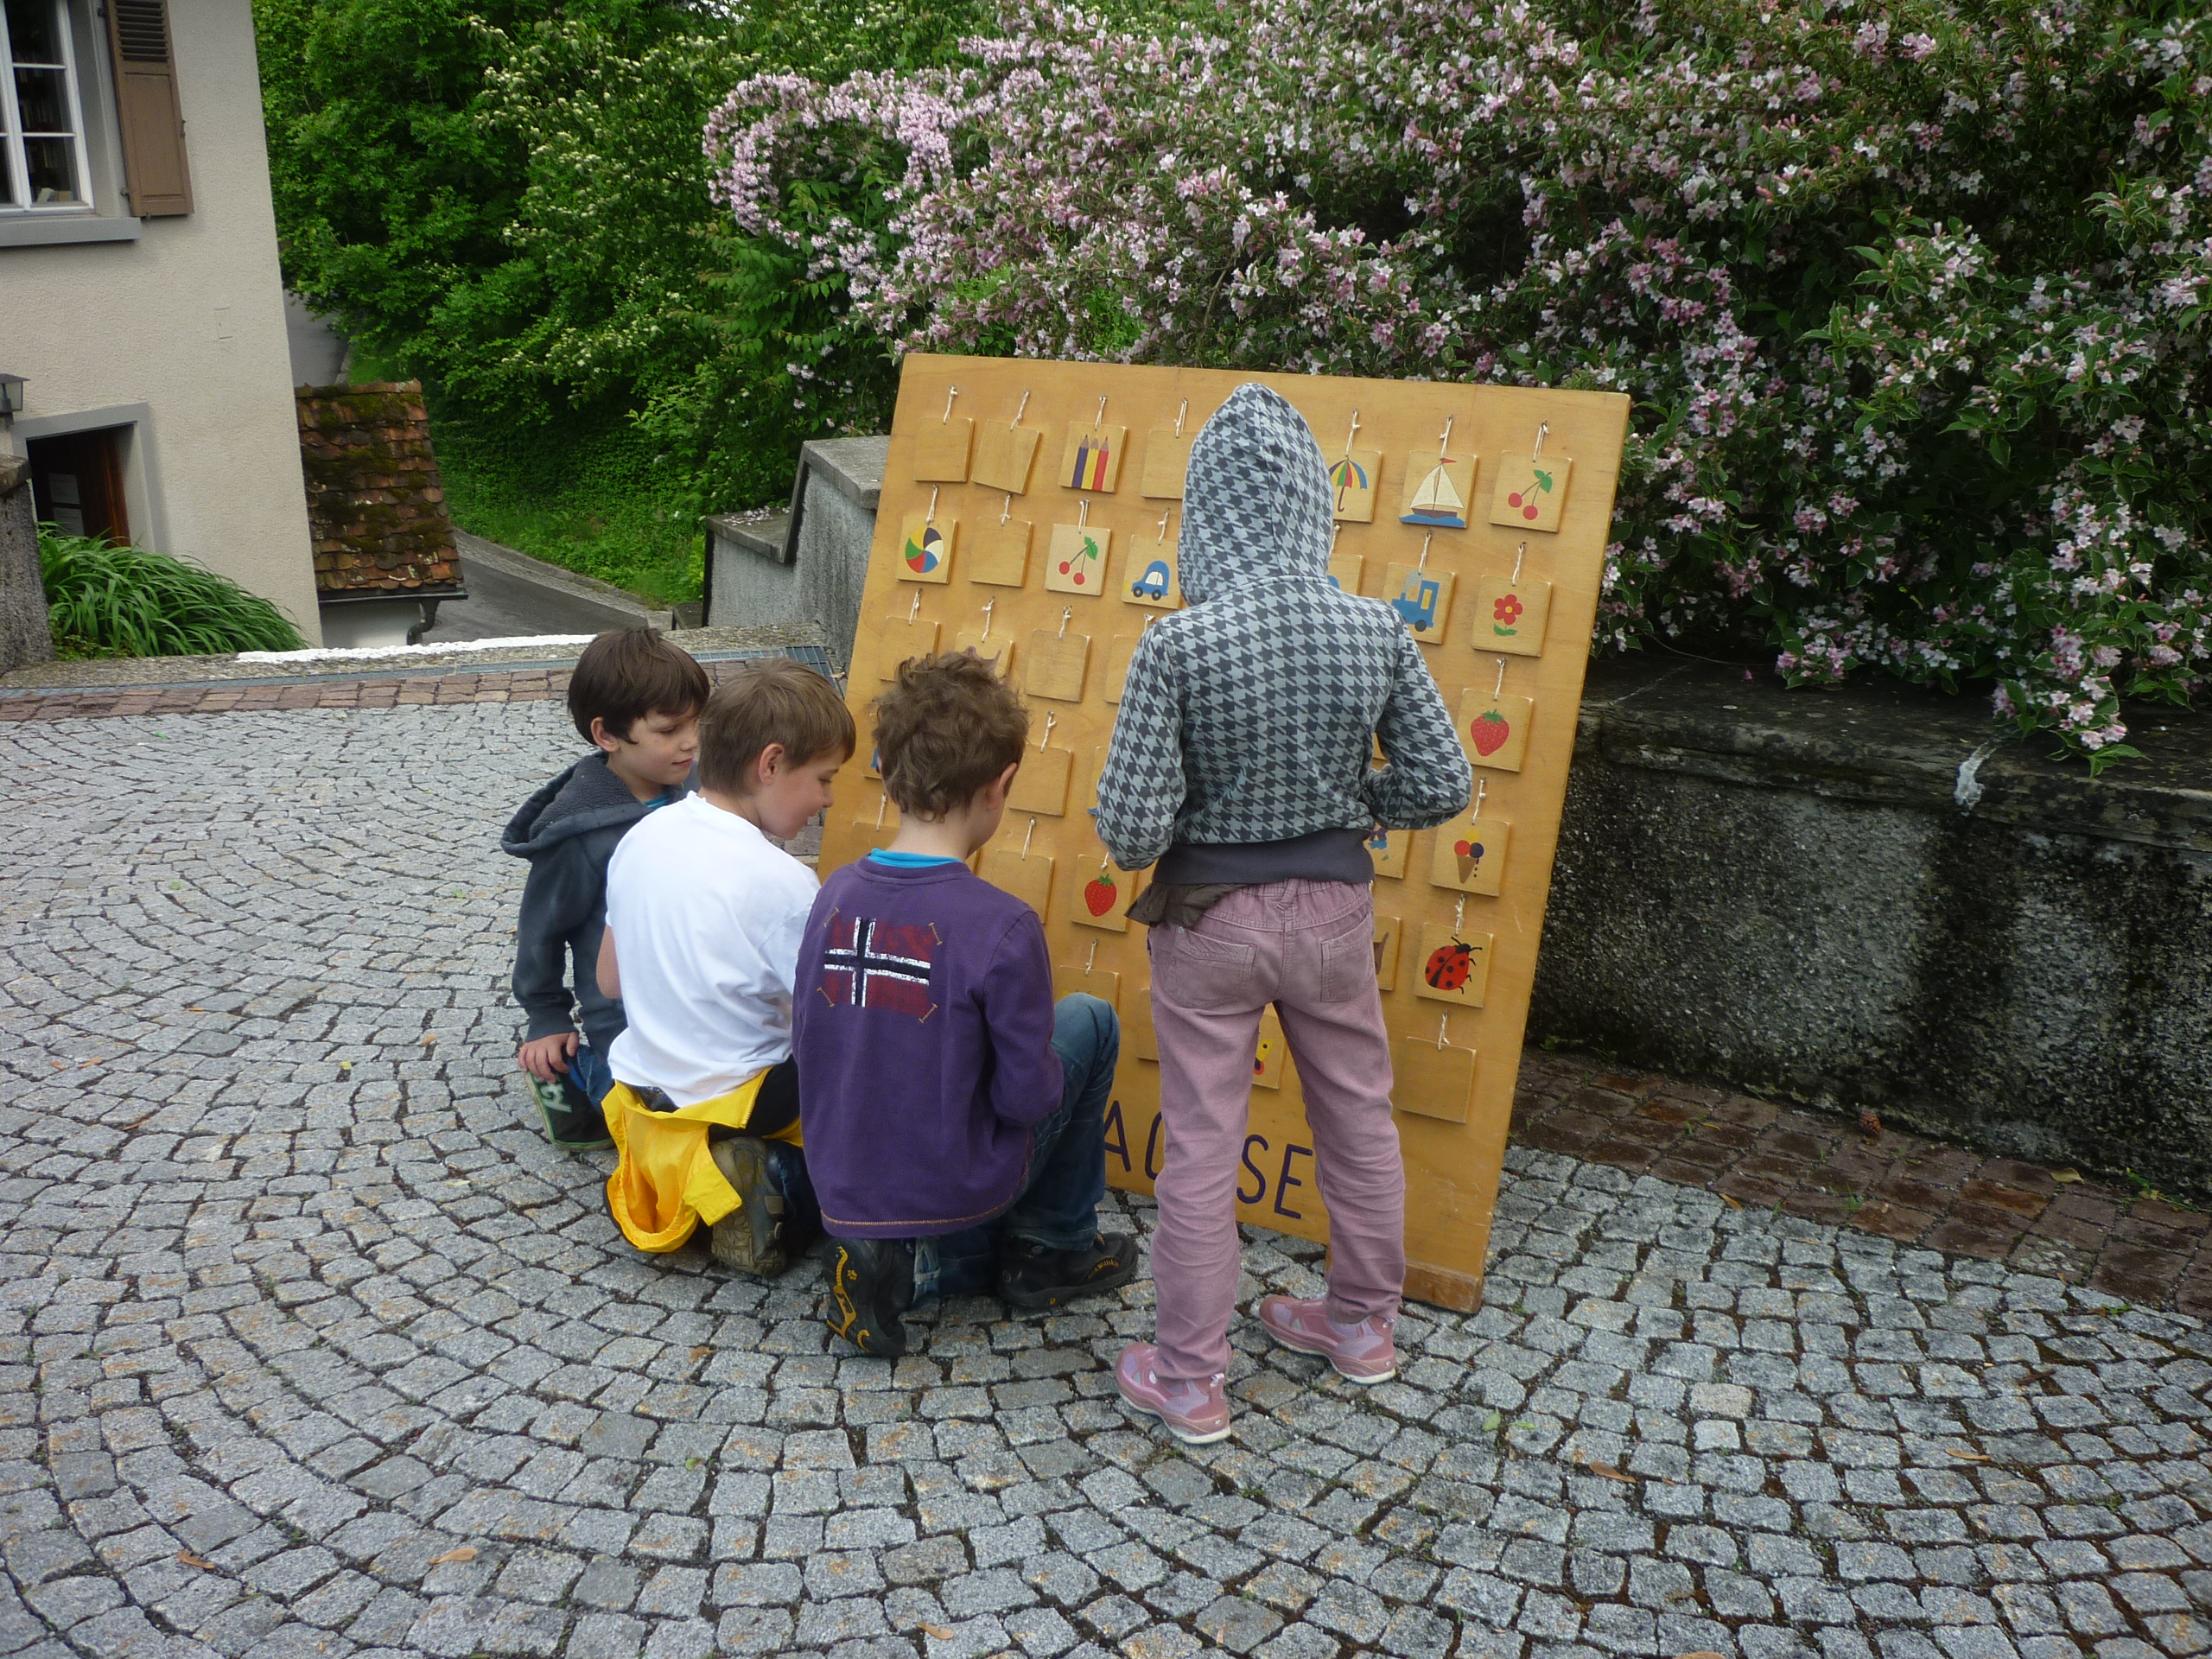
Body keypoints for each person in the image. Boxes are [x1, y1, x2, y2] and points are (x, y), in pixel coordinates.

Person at [1094, 383, 1472, 1444]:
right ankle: (1360, 1328)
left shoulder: (1178, 643)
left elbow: (1129, 831)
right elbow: (1443, 782)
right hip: (1334, 914)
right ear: (1315, 505)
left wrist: (1196, 809)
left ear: (1202, 512)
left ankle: (1189, 1378)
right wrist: (1358, 807)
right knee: (1358, 1118)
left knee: (1203, 1144)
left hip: (1208, 921)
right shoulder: (1375, 629)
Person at [791, 651, 1137, 1357]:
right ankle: (1051, 1246)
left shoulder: (834, 896)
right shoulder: (1002, 925)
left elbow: (811, 1043)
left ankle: (896, 1259)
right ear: (999, 785)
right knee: (1091, 1021)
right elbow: (1024, 1098)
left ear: (885, 769)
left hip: (842, 1180)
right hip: (952, 1180)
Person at [593, 657, 854, 1275]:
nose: (827, 800)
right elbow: (832, 1020)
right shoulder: (784, 883)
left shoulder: (642, 837)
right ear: (771, 764)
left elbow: (609, 981)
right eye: (823, 779)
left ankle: (698, 1182)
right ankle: (780, 1181)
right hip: (741, 1101)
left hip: (648, 1094)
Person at [504, 627, 708, 1148]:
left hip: (699, 992)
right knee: (659, 1121)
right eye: (669, 729)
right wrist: (547, 1016)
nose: (690, 741)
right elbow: (542, 929)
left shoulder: (700, 790)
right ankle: (582, 1074)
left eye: (696, 723)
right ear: (607, 735)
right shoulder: (580, 833)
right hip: (624, 1014)